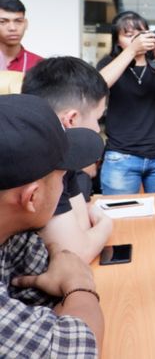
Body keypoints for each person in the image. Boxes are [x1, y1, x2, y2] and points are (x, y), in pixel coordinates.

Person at [0, 94, 105, 357]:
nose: (65, 187)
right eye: (62, 177)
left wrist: (68, 289)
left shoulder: (13, 236)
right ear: (32, 197)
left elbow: (47, 293)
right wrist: (80, 286)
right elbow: (73, 348)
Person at [21, 56, 112, 262]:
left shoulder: (63, 154)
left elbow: (82, 228)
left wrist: (88, 235)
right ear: (71, 119)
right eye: (97, 119)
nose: (98, 129)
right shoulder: (40, 164)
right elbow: (76, 253)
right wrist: (106, 223)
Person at [97, 11, 155, 194]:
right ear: (117, 40)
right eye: (128, 35)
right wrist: (132, 51)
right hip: (121, 155)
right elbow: (98, 86)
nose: (137, 38)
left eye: (141, 33)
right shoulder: (109, 63)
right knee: (119, 215)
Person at [0, 0, 43, 73]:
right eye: (3, 22)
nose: (12, 28)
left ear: (26, 24)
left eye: (18, 21)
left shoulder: (40, 65)